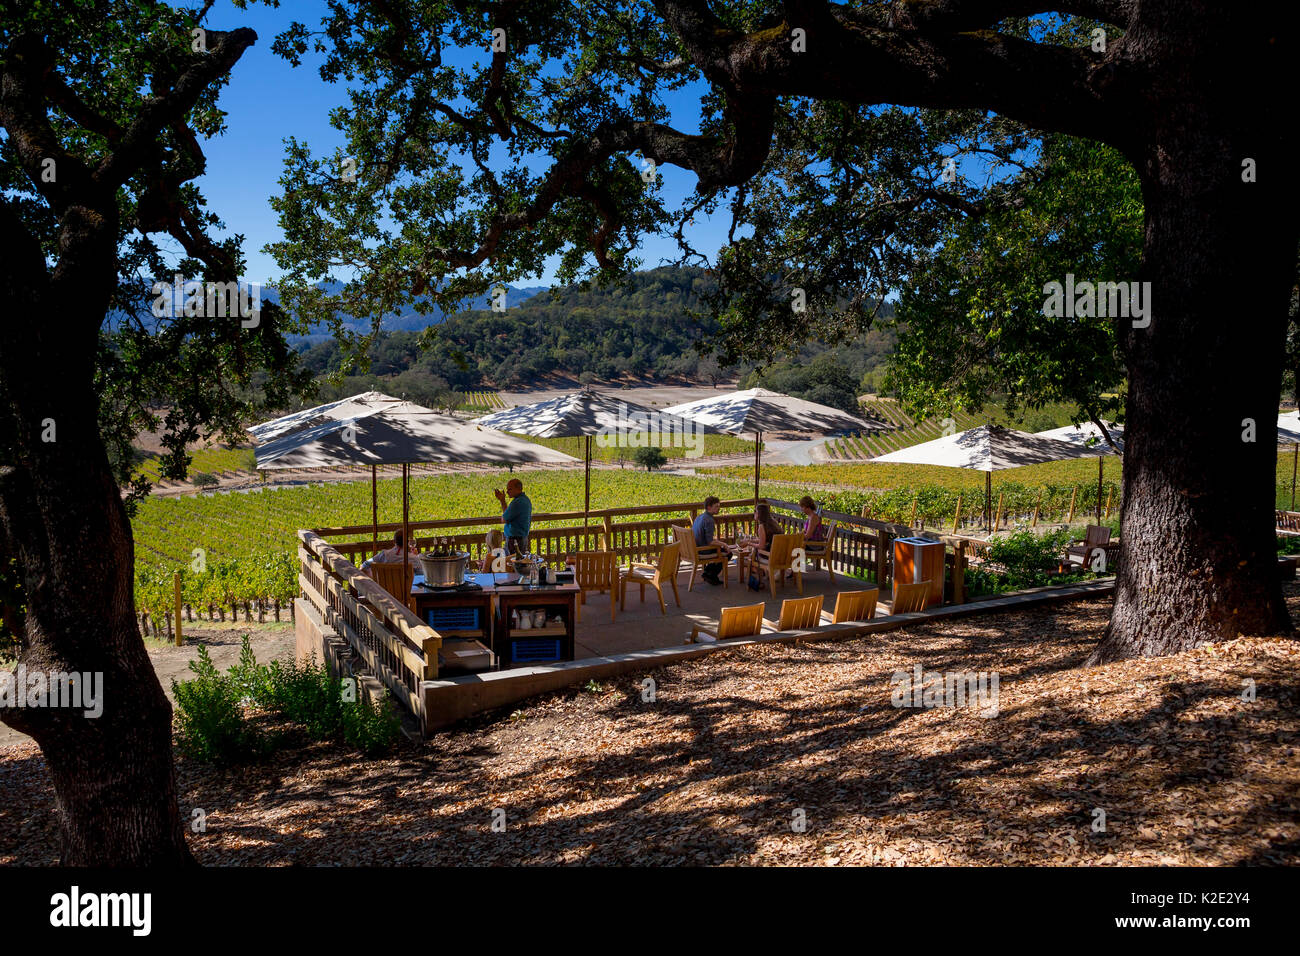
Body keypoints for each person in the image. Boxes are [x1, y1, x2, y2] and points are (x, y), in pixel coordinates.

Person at [692, 496, 731, 586]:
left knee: (721, 549)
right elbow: (710, 542)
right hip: (703, 550)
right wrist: (724, 544)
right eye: (716, 506)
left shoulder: (699, 517)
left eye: (719, 506)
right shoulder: (709, 520)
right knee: (728, 553)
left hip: (696, 547)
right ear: (709, 507)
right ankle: (710, 574)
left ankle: (708, 572)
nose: (719, 508)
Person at [748, 502, 784, 589]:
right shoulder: (774, 523)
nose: (754, 513)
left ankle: (759, 581)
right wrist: (751, 540)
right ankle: (766, 576)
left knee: (752, 557)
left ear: (759, 514)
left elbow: (761, 546)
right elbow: (767, 540)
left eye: (755, 511)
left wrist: (749, 543)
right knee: (754, 553)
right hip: (781, 556)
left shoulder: (762, 526)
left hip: (770, 557)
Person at [494, 478, 532, 556]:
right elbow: (507, 516)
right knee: (519, 563)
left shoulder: (517, 502)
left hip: (514, 540)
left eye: (510, 489)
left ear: (518, 489)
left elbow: (504, 519)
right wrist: (502, 500)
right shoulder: (525, 499)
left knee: (513, 564)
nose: (507, 491)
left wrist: (502, 501)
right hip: (522, 539)